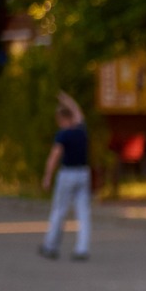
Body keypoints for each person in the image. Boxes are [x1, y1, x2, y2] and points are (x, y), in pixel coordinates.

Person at [39, 94, 91, 261]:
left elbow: (54, 156)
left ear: (62, 119)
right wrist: (67, 99)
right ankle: (82, 248)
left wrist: (47, 176)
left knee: (59, 210)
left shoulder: (63, 135)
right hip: (83, 173)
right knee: (83, 212)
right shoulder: (82, 131)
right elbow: (77, 111)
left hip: (67, 174)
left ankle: (50, 245)